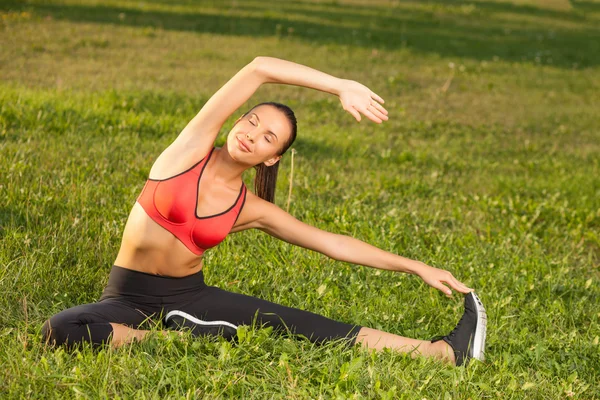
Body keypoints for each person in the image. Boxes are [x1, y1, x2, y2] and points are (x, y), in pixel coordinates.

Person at [42, 56, 486, 366]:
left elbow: (331, 244)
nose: (253, 135)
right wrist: (340, 85)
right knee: (62, 330)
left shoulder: (248, 208)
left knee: (309, 328)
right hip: (124, 297)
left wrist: (416, 266)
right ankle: (176, 339)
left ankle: (444, 352)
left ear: (271, 159)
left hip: (188, 296)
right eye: (252, 121)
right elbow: (259, 68)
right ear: (237, 121)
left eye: (269, 138)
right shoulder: (187, 150)